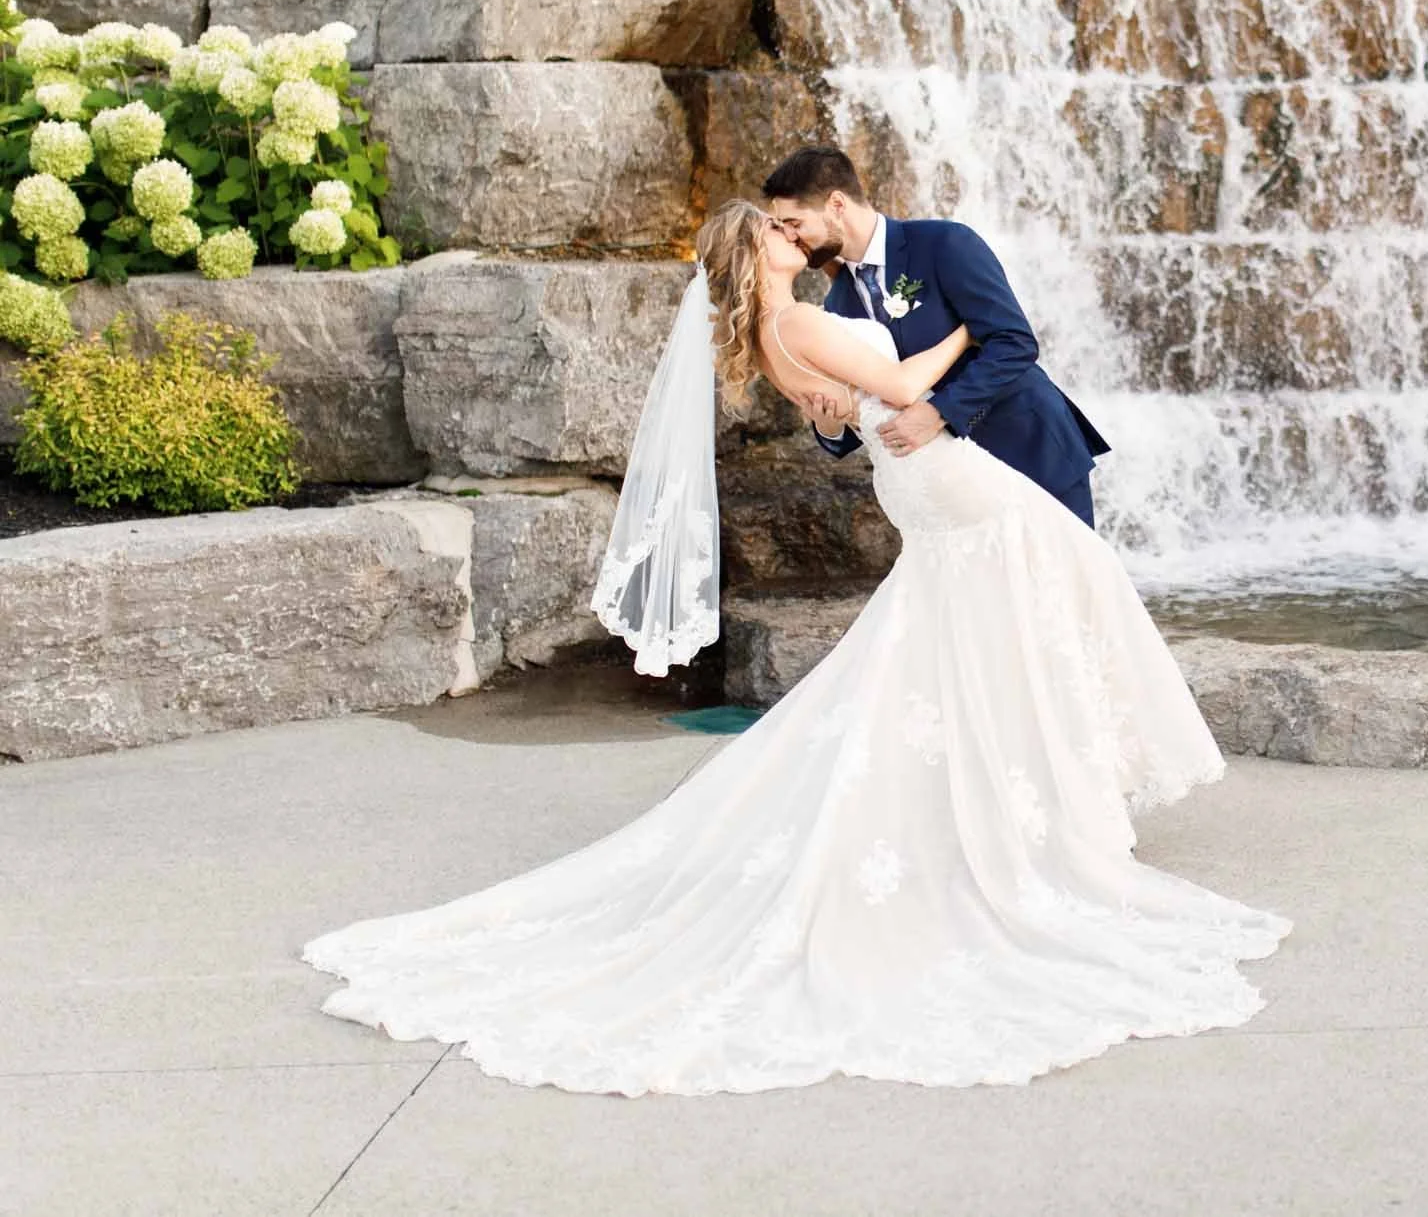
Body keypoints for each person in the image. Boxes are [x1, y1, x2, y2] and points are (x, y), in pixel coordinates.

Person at [299, 199, 1289, 1095]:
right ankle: (1038, 807)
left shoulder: (773, 335)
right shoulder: (801, 317)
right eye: (777, 230)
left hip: (920, 479)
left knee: (980, 632)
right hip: (942, 469)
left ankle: (1032, 797)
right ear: (758, 251)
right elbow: (898, 380)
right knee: (1056, 586)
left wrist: (867, 401)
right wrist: (959, 339)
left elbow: (845, 410)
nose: (795, 235)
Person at [763, 147, 1109, 527]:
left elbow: (1014, 342)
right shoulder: (837, 303)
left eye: (795, 222)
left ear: (837, 204)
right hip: (956, 490)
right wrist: (828, 428)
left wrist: (940, 412)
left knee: (1068, 585)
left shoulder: (944, 243)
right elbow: (865, 415)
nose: (792, 236)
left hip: (1031, 450)